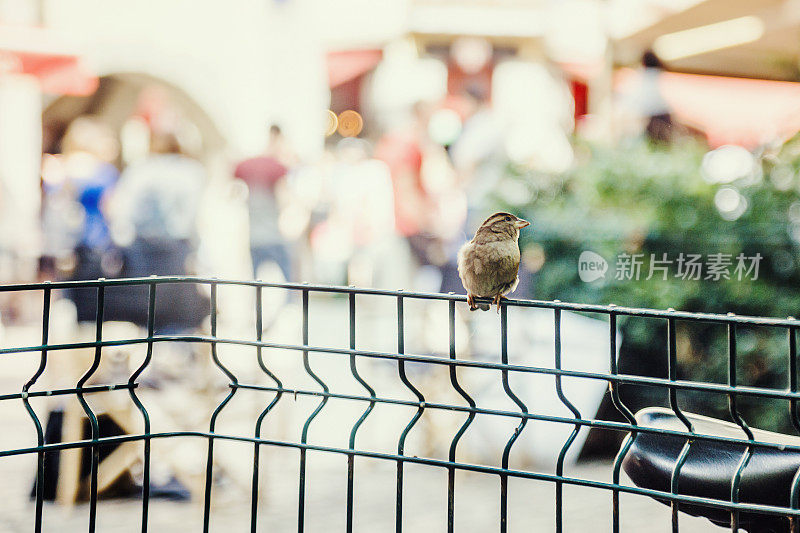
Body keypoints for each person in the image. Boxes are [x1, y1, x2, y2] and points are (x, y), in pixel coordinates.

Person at [107, 131, 208, 330]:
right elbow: (196, 214)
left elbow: (123, 209)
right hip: (177, 244)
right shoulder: (192, 171)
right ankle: (174, 346)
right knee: (175, 299)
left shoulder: (140, 170)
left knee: (146, 300)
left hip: (143, 245)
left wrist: (120, 241)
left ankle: (149, 345)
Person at [234, 124, 293, 281]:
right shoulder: (277, 168)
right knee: (288, 279)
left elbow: (234, 194)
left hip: (254, 236)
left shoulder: (245, 166)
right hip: (273, 234)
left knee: (255, 281)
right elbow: (285, 200)